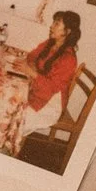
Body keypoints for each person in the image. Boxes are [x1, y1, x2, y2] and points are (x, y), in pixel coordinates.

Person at [10, 11, 85, 149]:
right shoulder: (50, 44)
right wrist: (31, 67)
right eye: (53, 22)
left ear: (67, 31)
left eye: (57, 24)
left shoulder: (68, 59)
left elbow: (51, 88)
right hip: (37, 91)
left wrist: (32, 72)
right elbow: (32, 56)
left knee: (15, 114)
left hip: (49, 104)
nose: (51, 26)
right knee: (9, 99)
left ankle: (7, 147)